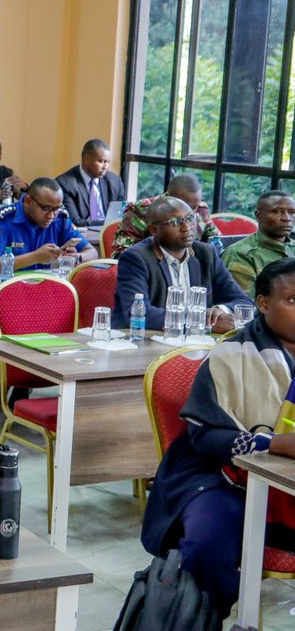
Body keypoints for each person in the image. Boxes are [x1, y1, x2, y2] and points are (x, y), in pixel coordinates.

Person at [141, 258, 295, 622]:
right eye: (292, 299)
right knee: (207, 545)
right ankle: (203, 619)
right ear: (262, 303)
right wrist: (274, 445)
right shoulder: (232, 355)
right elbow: (205, 436)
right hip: (222, 475)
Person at [112, 197, 251, 330]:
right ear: (154, 230)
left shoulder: (206, 254)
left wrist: (219, 311)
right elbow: (138, 312)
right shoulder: (135, 258)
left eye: (190, 219)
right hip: (142, 341)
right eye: (175, 222)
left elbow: (243, 302)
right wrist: (202, 321)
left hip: (194, 343)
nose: (186, 228)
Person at [0, 177, 93, 274]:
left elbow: (92, 252)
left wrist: (76, 257)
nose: (51, 216)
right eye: (45, 208)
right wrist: (34, 257)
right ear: (28, 202)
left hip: (46, 290)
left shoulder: (60, 220)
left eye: (57, 209)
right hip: (8, 291)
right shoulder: (3, 219)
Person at [111, 174, 220, 258]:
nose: (191, 212)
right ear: (169, 197)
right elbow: (121, 253)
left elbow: (217, 242)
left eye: (194, 207)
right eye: (186, 206)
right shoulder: (141, 210)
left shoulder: (201, 210)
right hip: (151, 270)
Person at [222, 191, 295, 298]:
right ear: (259, 216)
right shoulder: (241, 254)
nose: (286, 218)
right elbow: (244, 305)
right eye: (277, 211)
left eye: (292, 212)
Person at [55, 138, 127, 227]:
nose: (106, 167)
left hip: (111, 234)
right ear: (86, 159)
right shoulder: (64, 184)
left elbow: (123, 215)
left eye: (108, 162)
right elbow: (74, 221)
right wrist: (108, 223)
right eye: (101, 161)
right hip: (83, 235)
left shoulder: (115, 181)